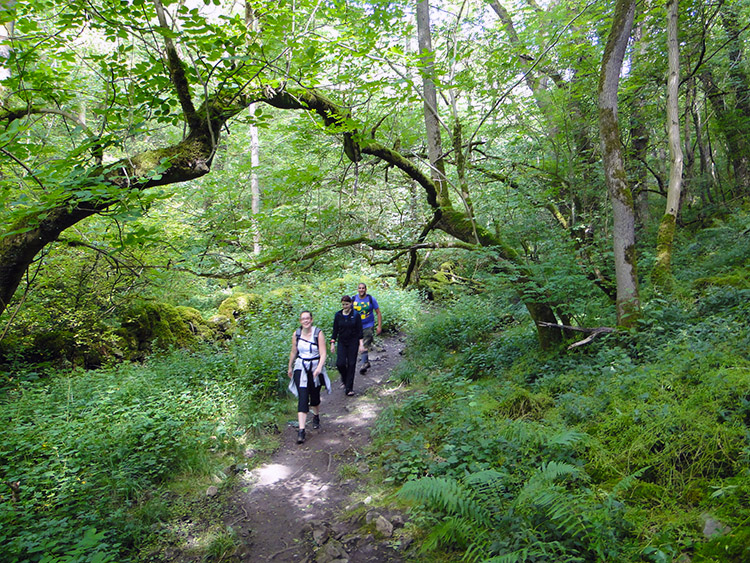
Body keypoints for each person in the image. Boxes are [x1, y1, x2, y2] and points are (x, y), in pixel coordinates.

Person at [287, 310, 330, 444]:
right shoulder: (297, 334)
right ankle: (301, 430)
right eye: (303, 319)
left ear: (311, 320)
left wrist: (318, 369)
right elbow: (294, 351)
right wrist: (290, 366)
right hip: (301, 367)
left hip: (315, 366)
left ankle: (316, 416)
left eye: (308, 318)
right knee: (303, 397)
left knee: (315, 396)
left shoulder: (318, 333)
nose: (305, 321)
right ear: (300, 321)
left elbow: (323, 354)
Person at [330, 295, 364, 397]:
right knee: (340, 363)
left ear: (351, 304)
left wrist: (361, 344)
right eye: (343, 304)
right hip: (342, 342)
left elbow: (359, 331)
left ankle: (349, 388)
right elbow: (335, 330)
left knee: (351, 364)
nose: (345, 306)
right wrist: (332, 343)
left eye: (347, 304)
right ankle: (344, 379)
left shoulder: (356, 315)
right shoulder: (338, 315)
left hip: (353, 342)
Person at [352, 282, 382, 375]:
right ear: (358, 289)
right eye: (360, 288)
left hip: (368, 325)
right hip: (356, 326)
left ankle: (363, 364)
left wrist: (379, 326)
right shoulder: (353, 299)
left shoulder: (371, 299)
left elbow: (378, 312)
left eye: (363, 288)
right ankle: (366, 362)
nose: (361, 290)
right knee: (358, 344)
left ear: (366, 289)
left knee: (364, 344)